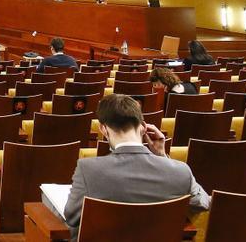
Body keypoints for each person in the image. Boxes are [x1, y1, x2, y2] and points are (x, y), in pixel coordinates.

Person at [59, 94, 210, 240]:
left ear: (103, 129)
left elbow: (71, 216)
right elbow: (203, 203)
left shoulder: (87, 169)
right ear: (144, 127)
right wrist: (162, 157)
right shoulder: (180, 171)